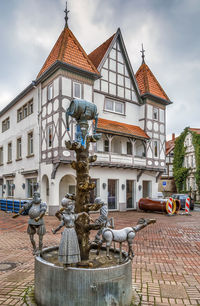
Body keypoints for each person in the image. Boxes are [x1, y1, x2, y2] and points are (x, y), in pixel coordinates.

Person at [52, 200, 87, 266]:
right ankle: (66, 262)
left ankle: (72, 260)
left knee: (72, 245)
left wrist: (85, 214)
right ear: (66, 206)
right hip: (67, 231)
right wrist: (60, 210)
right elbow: (57, 215)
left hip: (72, 231)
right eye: (70, 205)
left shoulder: (73, 215)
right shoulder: (64, 215)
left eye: (72, 205)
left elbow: (80, 214)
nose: (72, 206)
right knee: (66, 245)